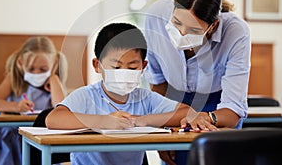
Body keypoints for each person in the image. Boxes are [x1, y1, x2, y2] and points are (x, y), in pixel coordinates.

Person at [45, 23, 194, 165]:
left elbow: (188, 113)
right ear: (97, 65)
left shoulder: (145, 98)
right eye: (116, 67)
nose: (123, 73)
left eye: (132, 67)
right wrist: (102, 121)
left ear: (143, 66)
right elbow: (53, 119)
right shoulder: (86, 96)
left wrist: (144, 120)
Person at [143, 0, 251, 165]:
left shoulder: (236, 31)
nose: (182, 34)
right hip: (173, 102)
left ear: (213, 27)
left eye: (193, 30)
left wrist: (207, 117)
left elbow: (233, 109)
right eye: (176, 23)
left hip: (218, 106)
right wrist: (162, 130)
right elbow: (158, 83)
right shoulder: (155, 17)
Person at [0, 36, 68, 165]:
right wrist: (16, 107)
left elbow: (61, 108)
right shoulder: (13, 79)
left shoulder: (54, 84)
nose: (36, 73)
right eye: (31, 69)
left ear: (54, 64)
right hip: (12, 138)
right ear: (20, 63)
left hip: (40, 138)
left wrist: (53, 78)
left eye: (43, 69)